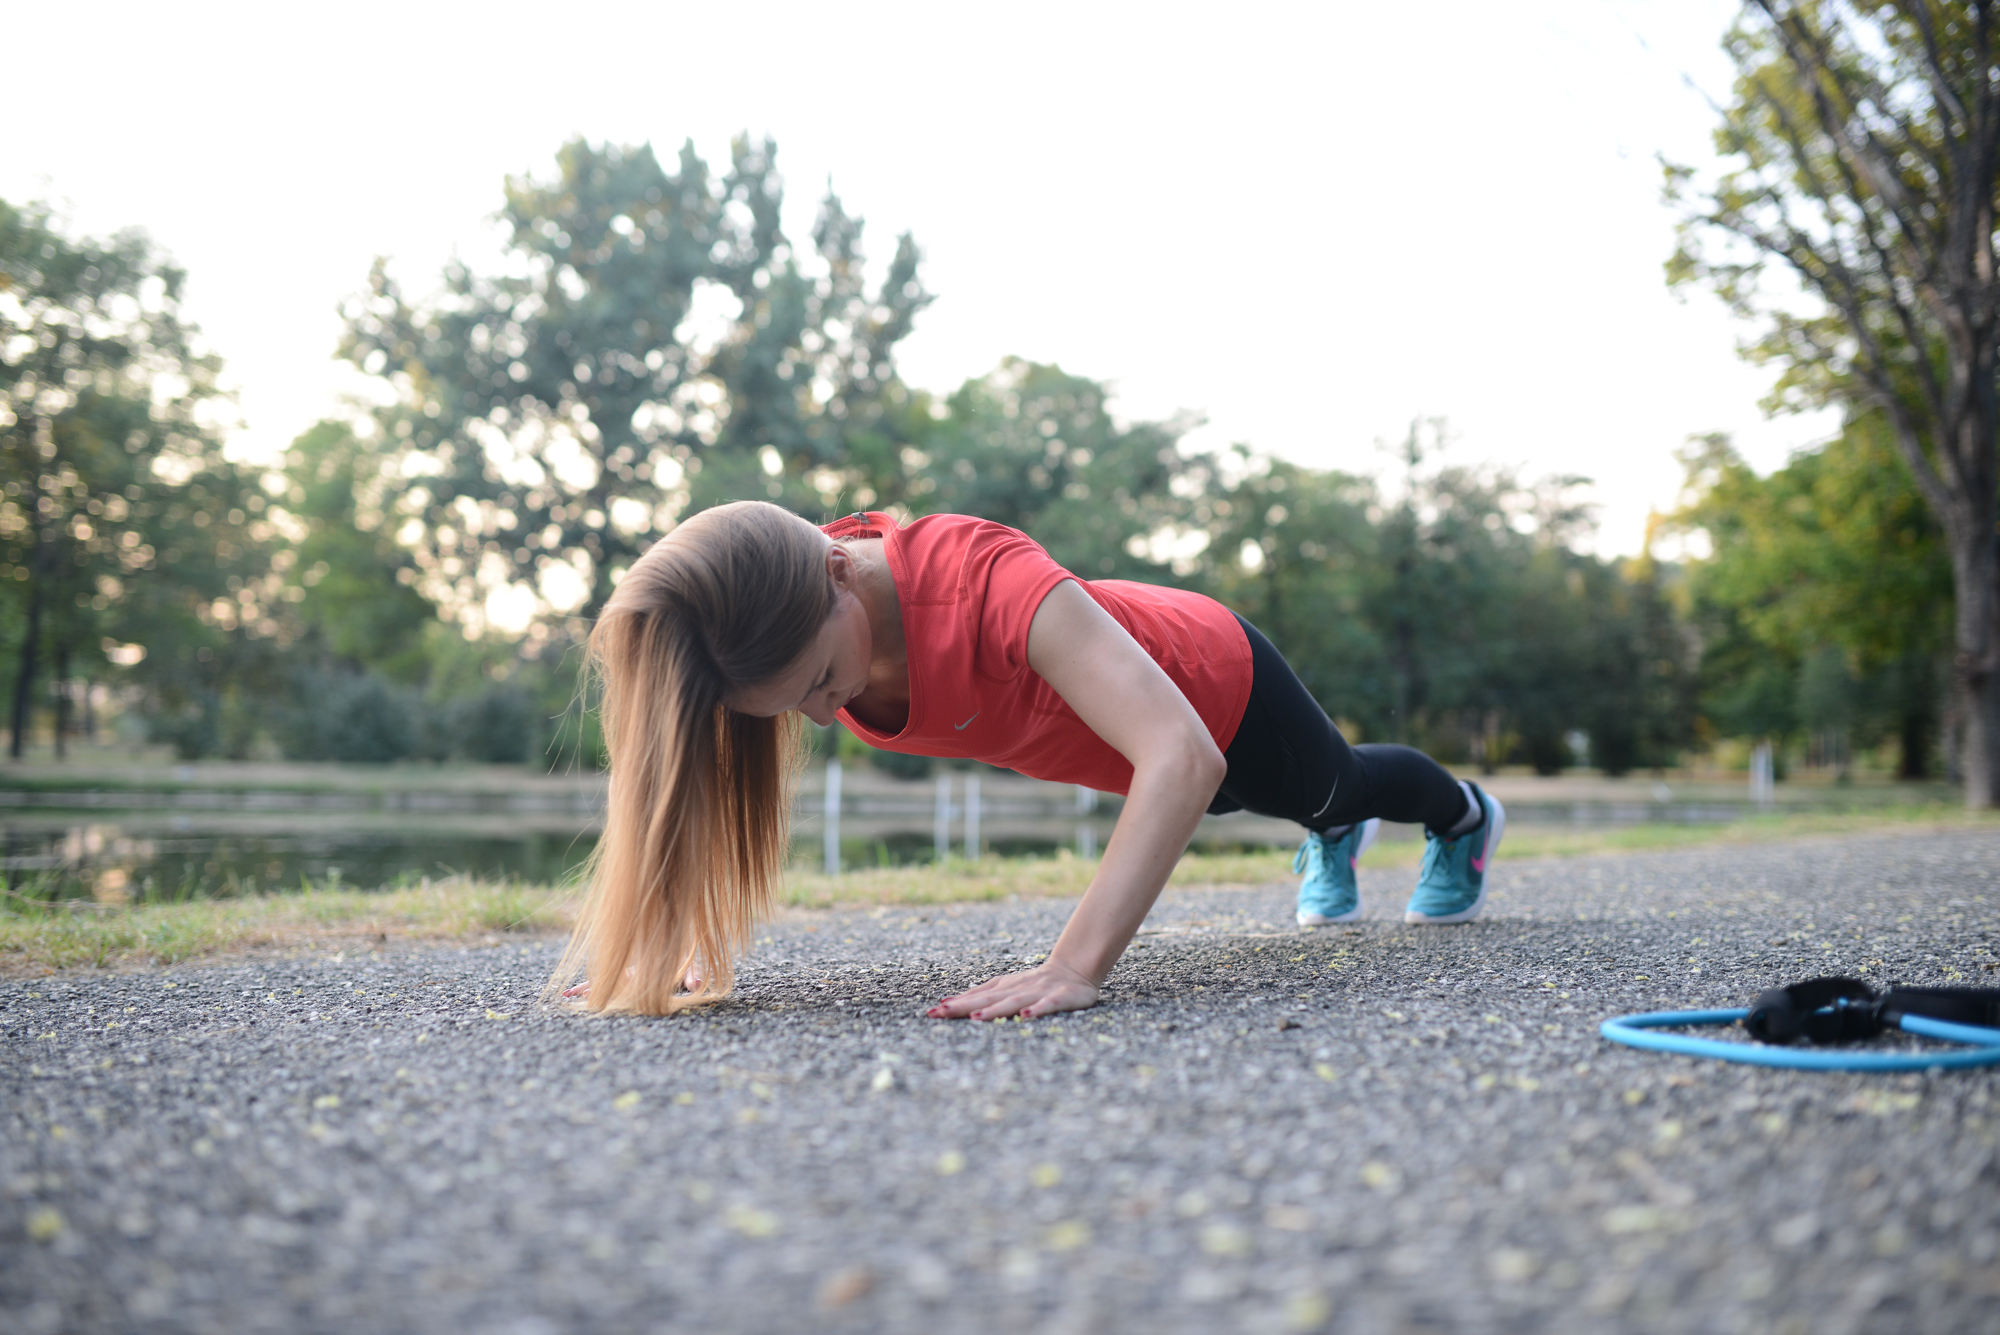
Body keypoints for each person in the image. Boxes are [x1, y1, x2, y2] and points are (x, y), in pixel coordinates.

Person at [551, 501, 1503, 1019]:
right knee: (1242, 802)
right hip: (1145, 764)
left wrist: (1074, 966)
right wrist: (668, 949)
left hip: (1217, 692)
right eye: (799, 703)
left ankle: (1462, 816)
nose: (824, 716)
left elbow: (1182, 755)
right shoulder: (780, 617)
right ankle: (1334, 833)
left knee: (1333, 788)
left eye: (823, 683)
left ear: (841, 569)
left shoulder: (981, 579)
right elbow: (703, 779)